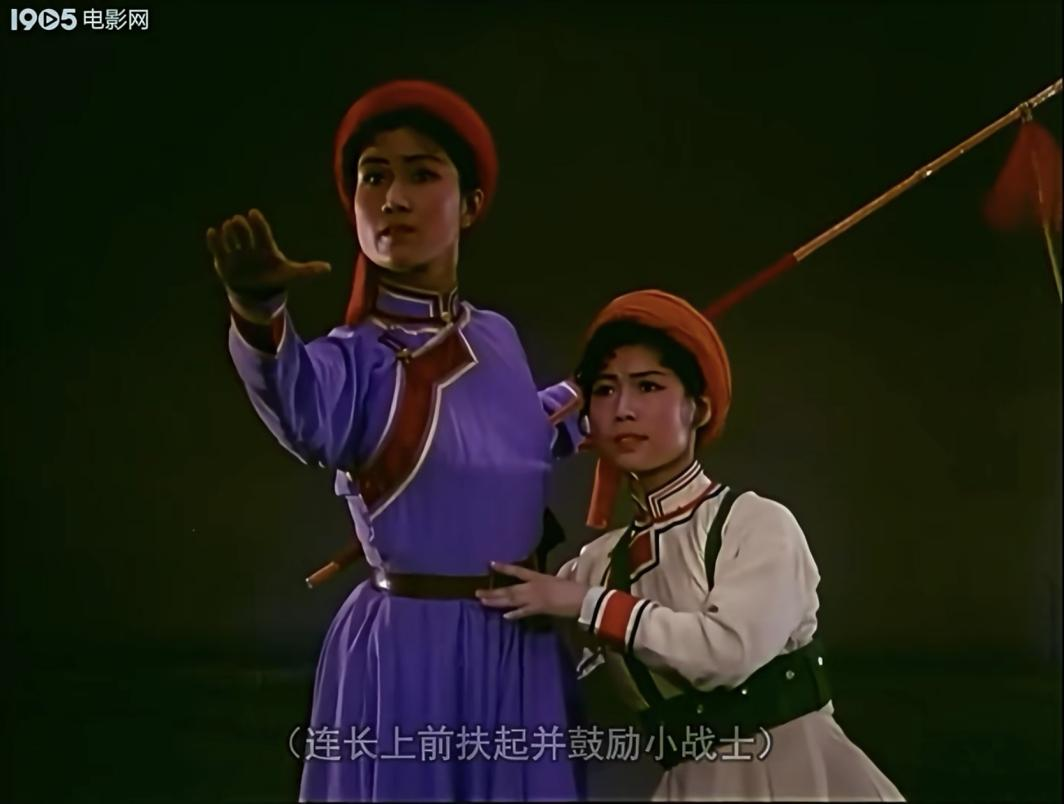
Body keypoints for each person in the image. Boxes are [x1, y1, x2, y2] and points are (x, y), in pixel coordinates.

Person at [206, 80, 585, 801]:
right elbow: (300, 406)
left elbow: (515, 436)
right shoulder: (352, 359)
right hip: (410, 656)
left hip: (518, 643)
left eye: (422, 174)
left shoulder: (495, 336)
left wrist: (593, 397)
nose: (394, 199)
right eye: (374, 177)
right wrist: (258, 315)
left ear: (470, 203)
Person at [478, 289, 905, 800]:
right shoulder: (593, 565)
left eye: (649, 386)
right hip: (692, 784)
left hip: (803, 778)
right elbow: (512, 666)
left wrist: (587, 605)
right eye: (606, 390)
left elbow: (725, 653)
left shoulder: (755, 524)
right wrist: (508, 444)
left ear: (698, 408)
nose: (624, 409)